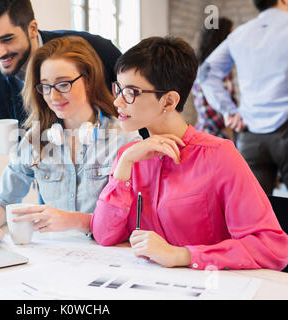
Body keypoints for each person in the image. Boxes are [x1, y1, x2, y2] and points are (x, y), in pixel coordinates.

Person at [91, 36, 288, 271]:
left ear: (169, 101)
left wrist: (183, 255)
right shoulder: (130, 155)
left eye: (131, 92)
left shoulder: (219, 156)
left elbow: (272, 248)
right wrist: (123, 165)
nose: (117, 101)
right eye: (119, 89)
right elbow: (104, 235)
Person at [0, 36, 140, 244]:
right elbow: (3, 199)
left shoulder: (124, 139)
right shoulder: (36, 140)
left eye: (63, 84)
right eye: (46, 87)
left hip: (111, 254)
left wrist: (74, 221)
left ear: (89, 80)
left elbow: (135, 220)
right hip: (57, 257)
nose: (53, 96)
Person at [0, 0, 129, 153]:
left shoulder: (95, 50)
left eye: (7, 39)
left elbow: (138, 111)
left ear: (32, 29)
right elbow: (14, 142)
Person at [199, 0, 288, 194]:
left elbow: (205, 73)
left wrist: (228, 110)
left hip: (251, 136)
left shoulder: (240, 34)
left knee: (257, 211)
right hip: (285, 127)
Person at [192, 17, 237, 140]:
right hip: (211, 135)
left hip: (226, 131)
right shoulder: (205, 70)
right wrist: (230, 130)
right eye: (231, 35)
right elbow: (207, 112)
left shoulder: (224, 69)